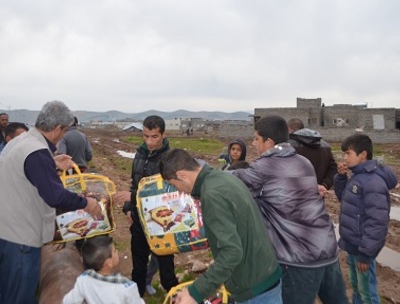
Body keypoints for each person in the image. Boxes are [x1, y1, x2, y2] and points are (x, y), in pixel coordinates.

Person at [232, 115, 348, 304]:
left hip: (298, 259)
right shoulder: (303, 162)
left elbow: (230, 181)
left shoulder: (263, 167)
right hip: (327, 250)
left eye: (255, 138)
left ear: (268, 141)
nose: (253, 144)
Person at [0, 100, 102, 304]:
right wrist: (87, 203)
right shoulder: (36, 151)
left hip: (7, 231)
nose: (63, 135)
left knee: (8, 291)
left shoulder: (21, 142)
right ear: (58, 128)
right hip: (21, 239)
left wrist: (51, 162)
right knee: (19, 296)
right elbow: (54, 195)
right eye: (64, 131)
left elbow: (25, 171)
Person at [159, 148, 282, 304]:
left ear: (182, 175)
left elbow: (232, 252)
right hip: (264, 274)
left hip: (254, 290)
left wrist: (195, 292)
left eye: (174, 185)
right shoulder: (222, 178)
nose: (179, 191)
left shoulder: (212, 194)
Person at [113, 115, 178, 297]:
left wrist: (133, 197)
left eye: (154, 137)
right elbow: (135, 182)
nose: (149, 142)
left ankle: (178, 297)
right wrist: (128, 207)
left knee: (167, 272)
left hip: (161, 221)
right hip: (139, 219)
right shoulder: (140, 153)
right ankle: (136, 297)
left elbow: (167, 193)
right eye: (146, 136)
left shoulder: (170, 158)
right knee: (138, 267)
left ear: (163, 135)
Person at [334, 134, 398, 304]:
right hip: (354, 245)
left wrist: (365, 253)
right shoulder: (358, 175)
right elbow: (345, 200)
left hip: (362, 248)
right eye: (344, 154)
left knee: (367, 292)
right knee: (357, 286)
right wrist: (341, 178)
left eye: (348, 153)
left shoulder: (372, 182)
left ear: (363, 155)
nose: (344, 158)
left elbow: (377, 222)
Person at [63, 235, 144, 304]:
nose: (117, 252)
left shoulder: (83, 279)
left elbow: (68, 301)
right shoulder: (126, 287)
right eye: (115, 251)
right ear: (109, 262)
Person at [287, 118, 337, 197]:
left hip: (294, 198)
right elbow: (333, 169)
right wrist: (324, 185)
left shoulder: (288, 146)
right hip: (318, 195)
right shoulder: (325, 146)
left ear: (289, 129)